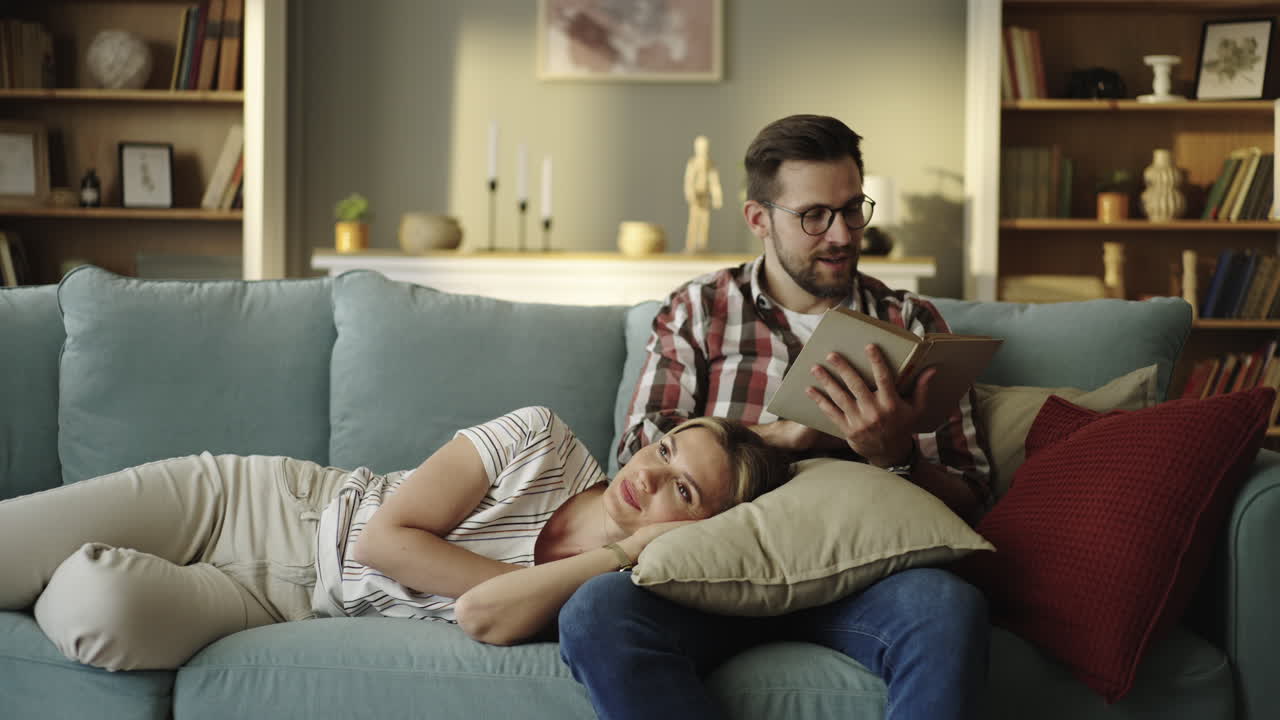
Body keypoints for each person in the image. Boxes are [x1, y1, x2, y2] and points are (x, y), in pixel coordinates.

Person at [559, 115, 993, 720]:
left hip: (857, 576)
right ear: (759, 219)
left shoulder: (910, 324)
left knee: (949, 608)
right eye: (814, 215)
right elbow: (639, 447)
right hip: (704, 570)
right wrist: (775, 436)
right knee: (595, 612)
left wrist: (896, 457)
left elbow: (973, 497)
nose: (841, 233)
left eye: (852, 209)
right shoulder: (699, 310)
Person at [0, 406, 789, 672]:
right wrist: (523, 579)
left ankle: (54, 571)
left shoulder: (612, 593)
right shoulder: (540, 438)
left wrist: (617, 557)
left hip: (275, 605)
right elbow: (385, 541)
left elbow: (484, 616)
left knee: (97, 608)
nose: (649, 477)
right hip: (256, 503)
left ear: (700, 529)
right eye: (664, 450)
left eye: (682, 490)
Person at [684, 134, 723, 253]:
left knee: (705, 222)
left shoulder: (710, 164)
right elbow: (689, 180)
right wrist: (690, 194)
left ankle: (702, 245)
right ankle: (690, 245)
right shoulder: (693, 163)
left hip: (705, 196)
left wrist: (717, 197)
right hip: (696, 196)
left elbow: (714, 182)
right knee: (694, 222)